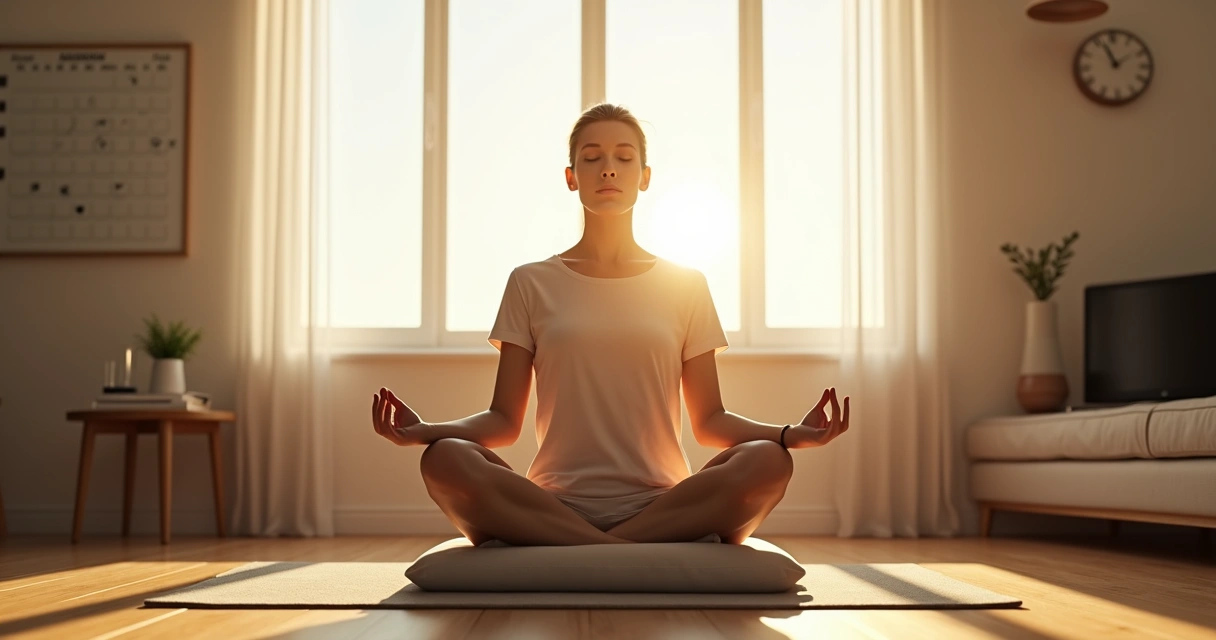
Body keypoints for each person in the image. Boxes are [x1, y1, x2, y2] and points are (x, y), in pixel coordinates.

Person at [372, 103, 850, 547]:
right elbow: (503, 422)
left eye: (624, 158)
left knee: (767, 460)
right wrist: (426, 431)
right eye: (592, 157)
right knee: (444, 457)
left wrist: (788, 434)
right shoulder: (530, 282)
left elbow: (709, 423)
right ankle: (624, 552)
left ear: (644, 177)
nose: (608, 168)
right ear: (571, 177)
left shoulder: (686, 284)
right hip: (554, 502)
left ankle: (580, 551)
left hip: (663, 500)